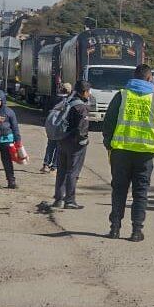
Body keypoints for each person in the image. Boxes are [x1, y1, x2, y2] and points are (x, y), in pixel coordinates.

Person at [102, 64, 154, 241]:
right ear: (149, 79)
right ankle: (136, 231)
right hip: (145, 155)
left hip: (121, 152)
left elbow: (108, 122)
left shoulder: (121, 96)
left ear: (134, 77)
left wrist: (109, 144)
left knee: (119, 190)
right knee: (140, 193)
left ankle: (115, 229)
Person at [53, 81, 91, 210]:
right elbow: (82, 129)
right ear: (85, 92)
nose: (89, 94)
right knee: (73, 172)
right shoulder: (82, 107)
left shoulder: (67, 102)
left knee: (61, 171)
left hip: (62, 140)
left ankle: (58, 199)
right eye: (88, 91)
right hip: (75, 144)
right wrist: (84, 140)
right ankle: (70, 200)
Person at [41, 82, 72, 173]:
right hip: (60, 126)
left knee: (50, 145)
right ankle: (54, 165)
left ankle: (46, 164)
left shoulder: (53, 98)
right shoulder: (68, 101)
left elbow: (46, 110)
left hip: (51, 125)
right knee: (59, 147)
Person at [0, 93, 22, 189]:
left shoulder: (9, 112)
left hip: (6, 140)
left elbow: (15, 127)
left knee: (7, 161)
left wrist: (18, 140)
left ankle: (11, 181)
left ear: (2, 100)